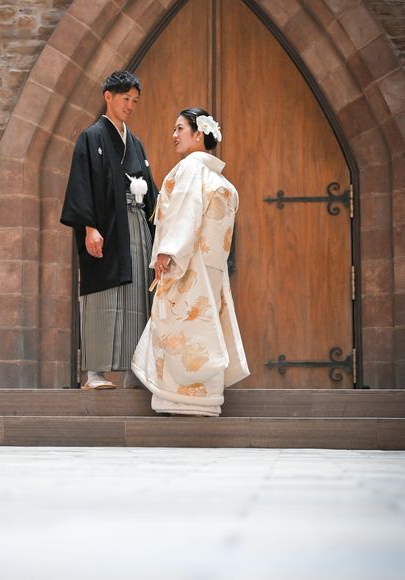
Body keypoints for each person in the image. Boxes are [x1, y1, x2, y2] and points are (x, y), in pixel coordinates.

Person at [131, 107, 249, 415]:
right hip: (210, 267)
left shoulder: (190, 168)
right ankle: (205, 400)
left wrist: (167, 251)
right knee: (204, 329)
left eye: (179, 128)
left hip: (189, 264)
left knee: (179, 326)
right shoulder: (219, 179)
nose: (174, 135)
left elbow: (186, 208)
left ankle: (178, 399)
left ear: (198, 134)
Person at [60, 70, 158, 389]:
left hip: (136, 226)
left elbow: (152, 193)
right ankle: (94, 374)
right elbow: (82, 184)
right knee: (103, 295)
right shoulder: (92, 137)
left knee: (137, 294)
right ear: (108, 97)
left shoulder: (136, 143)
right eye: (125, 98)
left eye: (135, 101)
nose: (130, 105)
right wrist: (90, 227)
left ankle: (135, 372)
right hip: (105, 227)